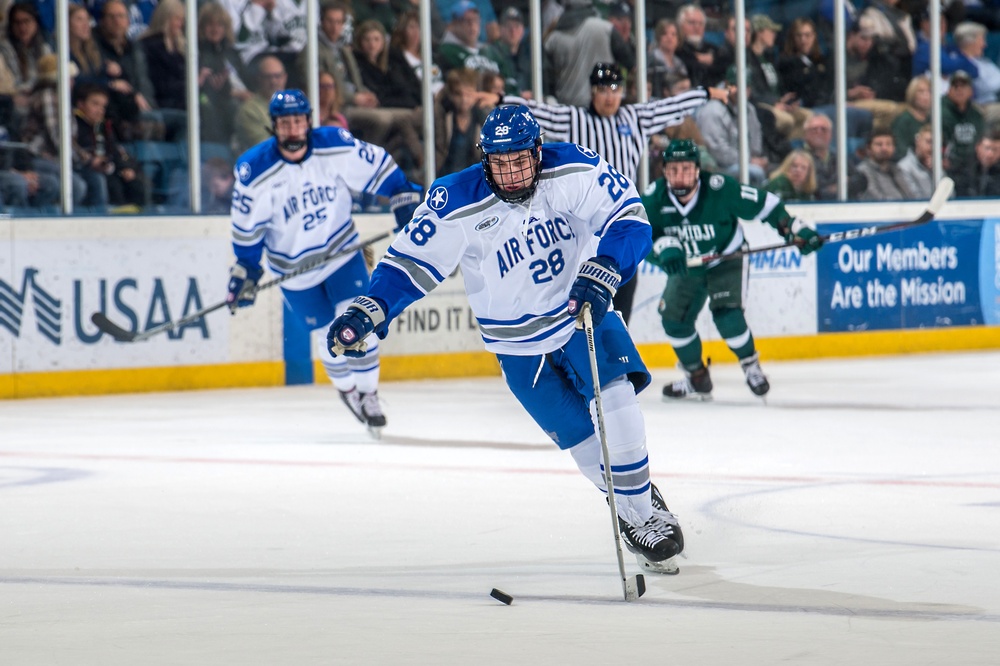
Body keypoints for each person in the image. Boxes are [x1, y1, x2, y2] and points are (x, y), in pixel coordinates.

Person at [326, 103, 685, 573]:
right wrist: (370, 307)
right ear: (484, 160)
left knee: (617, 401)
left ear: (537, 151)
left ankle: (640, 515)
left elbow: (631, 217)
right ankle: (633, 504)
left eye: (521, 160)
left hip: (580, 316)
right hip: (515, 346)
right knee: (581, 440)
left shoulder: (574, 166)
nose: (512, 173)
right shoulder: (454, 199)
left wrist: (605, 268)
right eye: (501, 162)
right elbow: (407, 265)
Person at [226, 89, 422, 433]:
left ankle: (369, 393)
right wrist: (246, 268)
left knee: (359, 322)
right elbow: (247, 230)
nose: (292, 129)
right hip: (294, 271)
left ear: (308, 121)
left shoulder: (334, 144)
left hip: (341, 254)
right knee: (326, 340)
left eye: (298, 121)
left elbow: (378, 165)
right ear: (274, 126)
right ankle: (348, 391)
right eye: (284, 123)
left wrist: (401, 194)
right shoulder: (254, 171)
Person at [503, 62, 725, 323]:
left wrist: (706, 94)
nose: (609, 97)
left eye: (614, 90)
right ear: (592, 92)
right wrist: (501, 100)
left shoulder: (635, 117)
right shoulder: (575, 119)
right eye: (603, 90)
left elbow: (670, 106)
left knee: (619, 312)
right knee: (576, 309)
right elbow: (539, 112)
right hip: (580, 229)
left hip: (621, 225)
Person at [642, 140, 823, 399]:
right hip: (689, 266)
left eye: (685, 169)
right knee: (674, 321)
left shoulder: (720, 189)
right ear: (664, 171)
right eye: (672, 170)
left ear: (697, 170)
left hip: (725, 258)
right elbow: (635, 236)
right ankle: (697, 378)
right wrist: (662, 249)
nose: (679, 177)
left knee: (727, 315)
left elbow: (767, 205)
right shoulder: (653, 198)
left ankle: (751, 366)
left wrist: (794, 229)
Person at [856, 130, 913, 201]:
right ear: (868, 149)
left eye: (888, 144)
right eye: (879, 144)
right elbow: (875, 198)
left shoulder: (896, 169)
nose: (884, 148)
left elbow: (910, 195)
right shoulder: (863, 170)